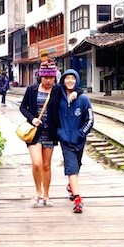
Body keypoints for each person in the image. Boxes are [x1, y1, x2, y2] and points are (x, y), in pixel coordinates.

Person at [19, 59, 80, 208]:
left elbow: (76, 87)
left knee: (46, 165)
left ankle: (46, 195)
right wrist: (32, 118)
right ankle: (37, 192)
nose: (48, 80)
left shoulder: (58, 90)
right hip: (35, 133)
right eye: (45, 77)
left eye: (51, 77)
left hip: (50, 133)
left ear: (55, 77)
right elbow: (23, 107)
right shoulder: (32, 90)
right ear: (40, 76)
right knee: (37, 163)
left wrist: (76, 93)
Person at [57, 69, 94, 214]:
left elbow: (90, 119)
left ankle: (71, 186)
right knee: (72, 167)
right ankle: (78, 200)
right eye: (67, 78)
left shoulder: (84, 100)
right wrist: (59, 133)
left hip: (79, 139)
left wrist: (81, 133)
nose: (70, 81)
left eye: (73, 78)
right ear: (63, 80)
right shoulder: (58, 97)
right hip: (65, 140)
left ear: (77, 80)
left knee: (77, 165)